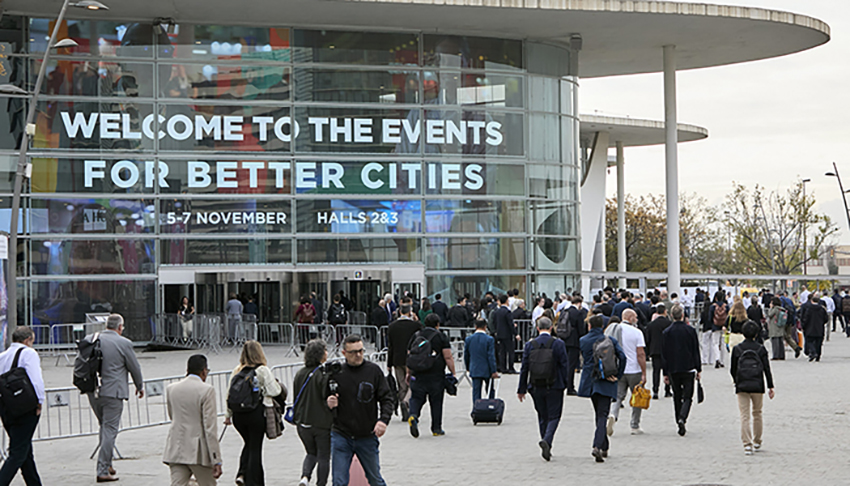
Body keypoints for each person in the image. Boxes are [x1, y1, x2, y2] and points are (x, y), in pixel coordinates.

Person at [326, 335, 393, 486]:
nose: (358, 355)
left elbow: (387, 398)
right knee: (339, 482)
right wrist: (328, 402)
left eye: (361, 351)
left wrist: (383, 420)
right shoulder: (337, 373)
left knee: (375, 479)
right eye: (353, 352)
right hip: (341, 435)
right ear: (344, 353)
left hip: (367, 436)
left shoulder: (373, 371)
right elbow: (323, 398)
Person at [87, 314, 144, 483]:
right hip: (113, 392)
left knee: (104, 428)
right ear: (120, 327)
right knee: (110, 430)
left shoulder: (91, 338)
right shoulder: (123, 343)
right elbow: (134, 367)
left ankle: (108, 463)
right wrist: (139, 386)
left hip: (93, 391)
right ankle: (102, 470)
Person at [224, 341, 284, 486]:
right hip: (255, 413)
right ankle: (253, 481)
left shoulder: (237, 370)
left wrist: (228, 415)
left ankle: (242, 474)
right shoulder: (262, 370)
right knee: (255, 447)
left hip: (239, 415)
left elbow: (229, 394)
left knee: (249, 443)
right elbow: (275, 391)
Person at [162, 354, 223, 486]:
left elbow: (173, 416)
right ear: (204, 371)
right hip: (198, 451)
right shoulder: (207, 390)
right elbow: (210, 428)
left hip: (176, 447)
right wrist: (216, 459)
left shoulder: (171, 389)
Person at [517, 317, 569, 461]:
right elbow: (564, 365)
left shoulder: (530, 345)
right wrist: (565, 384)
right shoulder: (558, 344)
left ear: (538, 328)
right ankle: (547, 440)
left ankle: (544, 441)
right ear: (551, 328)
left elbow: (524, 368)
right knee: (554, 416)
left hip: (535, 385)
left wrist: (521, 388)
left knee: (542, 415)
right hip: (554, 385)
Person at [0, 327, 45, 486]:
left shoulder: (2, 356)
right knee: (18, 452)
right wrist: (40, 401)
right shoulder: (29, 353)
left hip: (6, 408)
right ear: (28, 340)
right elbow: (35, 379)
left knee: (24, 449)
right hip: (25, 407)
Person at [578, 315, 626, 463]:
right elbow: (623, 357)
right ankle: (598, 446)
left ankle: (604, 446)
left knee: (599, 414)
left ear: (590, 326)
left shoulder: (583, 340)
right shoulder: (610, 340)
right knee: (602, 414)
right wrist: (618, 374)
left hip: (591, 382)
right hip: (607, 381)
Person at [730, 321, 775, 455]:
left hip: (742, 384)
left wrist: (736, 381)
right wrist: (770, 385)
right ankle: (757, 440)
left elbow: (732, 369)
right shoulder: (760, 349)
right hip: (757, 383)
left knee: (744, 415)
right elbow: (767, 368)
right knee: (757, 413)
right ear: (756, 333)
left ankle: (746, 443)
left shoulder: (737, 349)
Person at [408, 314, 455, 437]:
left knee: (416, 398)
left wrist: (409, 372)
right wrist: (453, 372)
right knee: (436, 401)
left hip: (418, 373)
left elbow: (410, 355)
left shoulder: (417, 335)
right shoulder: (441, 337)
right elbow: (448, 356)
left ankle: (413, 415)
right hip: (436, 375)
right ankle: (436, 428)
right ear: (437, 324)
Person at [293, 340, 332, 486]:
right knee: (323, 456)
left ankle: (305, 477)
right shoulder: (323, 374)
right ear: (321, 354)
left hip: (302, 421)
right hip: (321, 422)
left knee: (310, 452)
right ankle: (321, 483)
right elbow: (326, 397)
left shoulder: (299, 373)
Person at [606, 309, 648, 436]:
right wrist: (644, 372)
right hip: (634, 369)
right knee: (637, 396)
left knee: (618, 396)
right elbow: (640, 354)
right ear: (630, 318)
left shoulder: (614, 330)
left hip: (619, 368)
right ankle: (634, 425)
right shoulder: (637, 332)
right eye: (635, 317)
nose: (637, 319)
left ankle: (613, 414)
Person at [661, 305, 702, 437]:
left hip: (673, 368)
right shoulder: (690, 331)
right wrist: (698, 368)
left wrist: (665, 372)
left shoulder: (666, 332)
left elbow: (664, 354)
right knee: (688, 396)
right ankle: (683, 417)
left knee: (677, 395)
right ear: (683, 315)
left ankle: (678, 417)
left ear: (671, 315)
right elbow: (695, 350)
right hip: (688, 367)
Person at [386, 304, 421, 420]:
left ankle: (403, 408)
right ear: (410, 312)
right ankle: (407, 403)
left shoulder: (392, 326)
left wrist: (389, 363)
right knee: (412, 383)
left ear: (400, 312)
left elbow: (390, 346)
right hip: (411, 358)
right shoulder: (415, 326)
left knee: (401, 384)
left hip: (397, 359)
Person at [465, 319, 498, 405]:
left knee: (476, 391)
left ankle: (476, 408)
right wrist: (493, 370)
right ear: (485, 327)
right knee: (490, 389)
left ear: (475, 327)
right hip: (487, 368)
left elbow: (466, 355)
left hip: (475, 367)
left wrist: (468, 367)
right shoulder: (489, 339)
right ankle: (490, 407)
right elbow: (491, 356)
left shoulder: (469, 339)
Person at [644, 304, 672, 399]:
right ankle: (667, 389)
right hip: (667, 350)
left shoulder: (651, 325)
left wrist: (648, 352)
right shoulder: (669, 323)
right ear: (665, 311)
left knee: (656, 371)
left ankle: (655, 390)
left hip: (655, 350)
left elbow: (647, 339)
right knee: (667, 370)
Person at [491, 294, 517, 374]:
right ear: (506, 301)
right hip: (507, 334)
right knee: (510, 351)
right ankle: (510, 367)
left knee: (502, 352)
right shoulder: (507, 312)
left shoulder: (496, 312)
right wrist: (515, 333)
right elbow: (510, 324)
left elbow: (494, 322)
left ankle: (503, 367)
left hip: (499, 334)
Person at [801, 294, 828, 361]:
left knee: (809, 341)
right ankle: (818, 355)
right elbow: (826, 319)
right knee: (819, 343)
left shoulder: (809, 309)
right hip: (819, 328)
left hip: (810, 328)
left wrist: (803, 326)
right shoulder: (822, 309)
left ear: (811, 300)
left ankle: (813, 352)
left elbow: (805, 318)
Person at [708, 292, 729, 368]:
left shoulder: (712, 307)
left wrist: (712, 325)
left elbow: (710, 318)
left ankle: (717, 359)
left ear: (716, 297)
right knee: (723, 344)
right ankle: (722, 361)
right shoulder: (726, 306)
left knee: (715, 343)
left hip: (715, 327)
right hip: (724, 327)